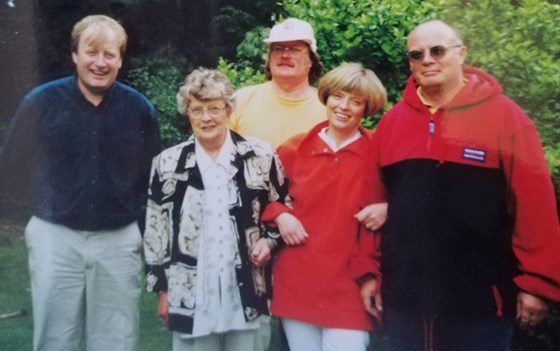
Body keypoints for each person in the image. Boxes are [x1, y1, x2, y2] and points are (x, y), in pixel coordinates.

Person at [357, 19, 560, 351]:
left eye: (438, 50)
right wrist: (368, 272)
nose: (427, 60)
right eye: (416, 54)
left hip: (479, 301)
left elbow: (534, 204)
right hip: (405, 298)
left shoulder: (506, 118)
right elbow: (371, 202)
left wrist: (537, 283)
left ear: (462, 53)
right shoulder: (392, 123)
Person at [0, 15, 161, 351]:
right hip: (54, 239)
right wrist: (44, 206)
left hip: (118, 241)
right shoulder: (41, 103)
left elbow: (153, 177)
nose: (100, 63)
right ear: (74, 54)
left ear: (120, 60)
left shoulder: (139, 109)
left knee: (116, 340)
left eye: (109, 55)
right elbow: (12, 167)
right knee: (55, 339)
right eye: (91, 52)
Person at [143, 68, 287, 351]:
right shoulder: (167, 164)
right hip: (191, 292)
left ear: (228, 110)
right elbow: (155, 232)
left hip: (248, 290)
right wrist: (163, 290)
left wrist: (270, 242)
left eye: (214, 108)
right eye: (197, 110)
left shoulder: (260, 156)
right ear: (187, 112)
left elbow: (284, 206)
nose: (206, 118)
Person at [262, 63, 388, 351]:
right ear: (326, 97)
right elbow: (262, 195)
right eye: (338, 97)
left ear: (367, 109)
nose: (344, 107)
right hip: (298, 278)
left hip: (351, 284)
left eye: (355, 101)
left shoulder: (378, 153)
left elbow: (405, 198)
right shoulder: (293, 149)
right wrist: (280, 215)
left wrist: (388, 206)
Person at [230, 17, 326, 148]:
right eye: (278, 49)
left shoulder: (327, 108)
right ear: (269, 58)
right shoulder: (240, 100)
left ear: (311, 61)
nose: (285, 55)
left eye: (295, 49)